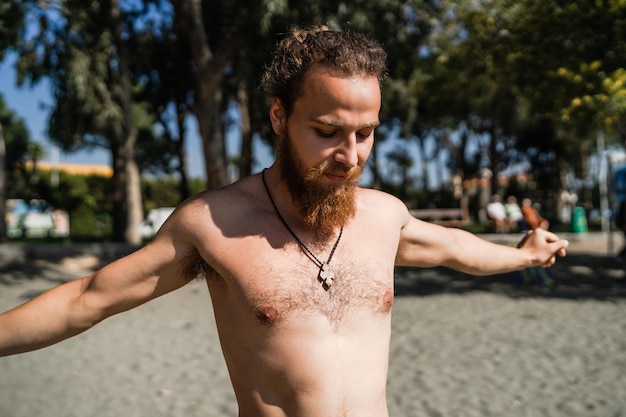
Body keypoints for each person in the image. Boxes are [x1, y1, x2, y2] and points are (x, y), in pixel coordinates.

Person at [0, 26, 568, 417]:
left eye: (365, 133)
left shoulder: (384, 216)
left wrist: (525, 253)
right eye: (327, 132)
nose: (350, 155)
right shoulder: (211, 225)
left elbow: (457, 249)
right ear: (278, 116)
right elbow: (87, 300)